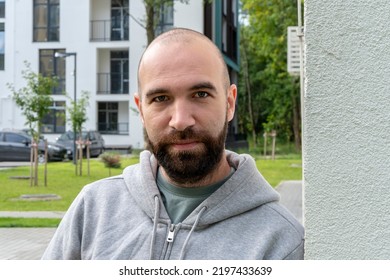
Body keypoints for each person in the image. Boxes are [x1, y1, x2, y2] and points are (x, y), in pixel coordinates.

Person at [42, 28, 304, 260]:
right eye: (160, 98)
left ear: (230, 102)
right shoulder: (93, 209)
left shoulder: (282, 243)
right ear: (141, 110)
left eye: (201, 94)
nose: (180, 121)